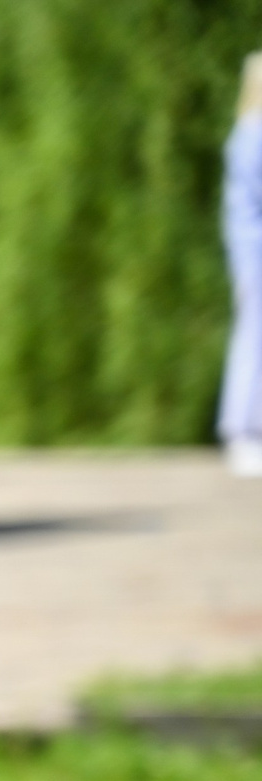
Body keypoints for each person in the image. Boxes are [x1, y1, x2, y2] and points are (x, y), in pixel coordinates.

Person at [224, 54, 262, 477]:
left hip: (251, 249)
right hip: (255, 252)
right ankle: (242, 431)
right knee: (253, 338)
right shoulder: (253, 134)